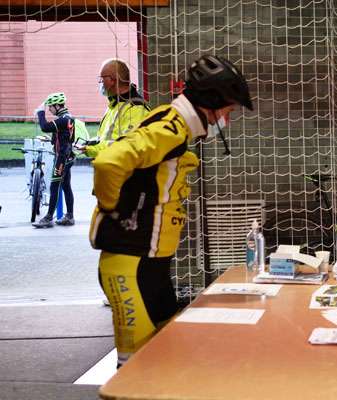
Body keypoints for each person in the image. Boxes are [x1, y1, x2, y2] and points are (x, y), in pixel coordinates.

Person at [89, 55, 253, 367]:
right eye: (229, 112)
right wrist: (112, 208)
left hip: (152, 265)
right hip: (131, 265)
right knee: (137, 371)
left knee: (169, 360)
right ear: (211, 102)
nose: (228, 122)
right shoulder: (170, 128)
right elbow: (108, 162)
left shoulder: (175, 125)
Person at [78, 58, 150, 158]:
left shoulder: (135, 109)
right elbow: (108, 138)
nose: (100, 83)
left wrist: (94, 148)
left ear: (112, 80)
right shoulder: (116, 104)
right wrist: (90, 143)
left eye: (102, 79)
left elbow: (130, 146)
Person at [32, 92, 76, 228]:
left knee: (54, 186)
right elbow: (66, 138)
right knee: (66, 186)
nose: (49, 110)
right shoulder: (68, 117)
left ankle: (49, 218)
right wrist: (51, 140)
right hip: (68, 156)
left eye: (50, 107)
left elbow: (45, 127)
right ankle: (69, 217)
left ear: (57, 105)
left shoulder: (62, 119)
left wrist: (40, 112)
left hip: (61, 158)